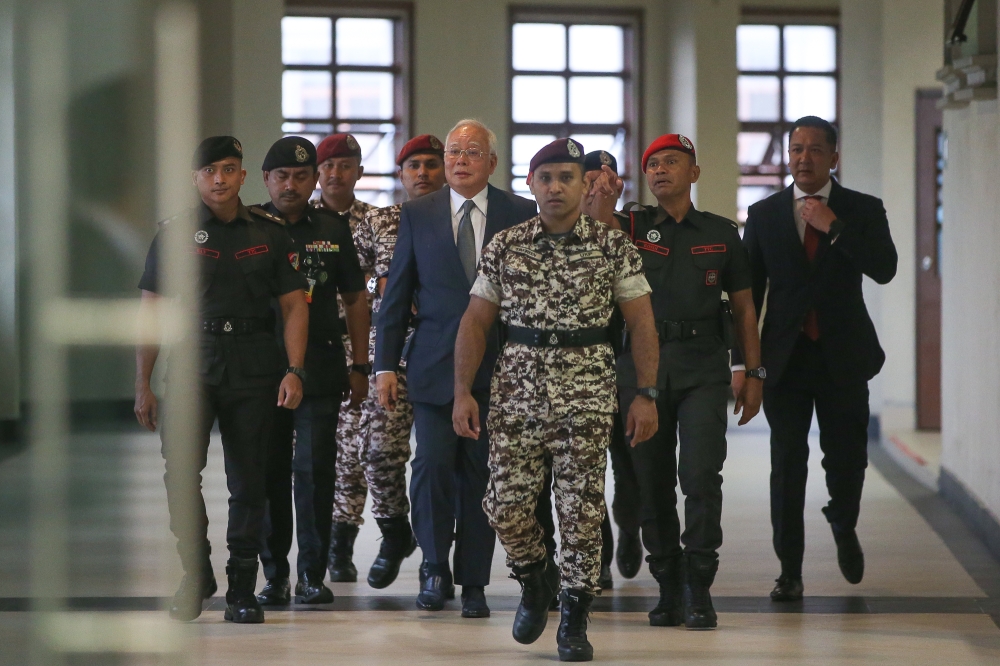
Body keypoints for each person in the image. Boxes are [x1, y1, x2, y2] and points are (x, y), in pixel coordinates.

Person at [454, 138, 659, 662]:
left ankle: (574, 616)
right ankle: (532, 577)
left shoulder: (612, 246)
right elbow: (476, 321)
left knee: (581, 511)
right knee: (503, 505)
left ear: (585, 184)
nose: (556, 187)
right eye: (546, 178)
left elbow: (641, 322)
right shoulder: (506, 244)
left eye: (568, 177)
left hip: (587, 391)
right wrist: (462, 391)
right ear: (530, 184)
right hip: (516, 393)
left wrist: (646, 394)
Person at [133, 136, 309, 624]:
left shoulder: (271, 234)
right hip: (192, 362)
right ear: (196, 178)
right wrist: (142, 383)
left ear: (243, 176)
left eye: (229, 169)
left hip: (256, 363)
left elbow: (295, 305)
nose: (219, 179)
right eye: (210, 170)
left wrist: (295, 369)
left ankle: (241, 585)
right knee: (180, 474)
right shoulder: (174, 235)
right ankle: (196, 572)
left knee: (249, 479)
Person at [731, 116, 897, 602]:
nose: (803, 158)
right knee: (787, 464)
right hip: (786, 360)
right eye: (796, 149)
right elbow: (746, 298)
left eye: (814, 150)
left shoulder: (862, 210)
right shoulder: (763, 215)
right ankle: (790, 570)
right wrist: (744, 365)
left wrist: (836, 228)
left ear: (834, 157)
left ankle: (843, 522)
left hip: (844, 356)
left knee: (847, 461)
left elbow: (884, 268)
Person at [375, 119, 536, 617]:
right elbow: (396, 296)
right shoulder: (418, 214)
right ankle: (432, 566)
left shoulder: (519, 212)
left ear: (491, 161)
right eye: (453, 152)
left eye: (471, 151)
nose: (459, 159)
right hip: (433, 367)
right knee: (430, 468)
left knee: (482, 475)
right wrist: (384, 366)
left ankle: (473, 583)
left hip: (502, 369)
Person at [608, 134, 762, 630]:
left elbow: (743, 308)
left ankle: (699, 585)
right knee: (651, 481)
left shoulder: (720, 232)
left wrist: (752, 372)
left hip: (703, 370)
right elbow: (587, 230)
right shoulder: (629, 227)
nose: (659, 171)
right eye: (651, 164)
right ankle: (667, 583)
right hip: (641, 373)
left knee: (700, 477)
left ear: (694, 173)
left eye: (671, 162)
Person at [254, 136, 370, 607]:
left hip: (321, 365)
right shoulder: (251, 227)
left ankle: (311, 574)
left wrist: (361, 363)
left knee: (317, 470)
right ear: (266, 180)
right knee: (269, 471)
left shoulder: (332, 228)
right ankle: (274, 575)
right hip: (262, 367)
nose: (291, 184)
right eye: (282, 176)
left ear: (314, 179)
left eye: (302, 176)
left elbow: (355, 298)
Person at [533, 148, 640, 592]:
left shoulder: (632, 225)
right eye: (590, 178)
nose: (598, 186)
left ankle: (630, 528)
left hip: (626, 363)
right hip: (578, 372)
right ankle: (596, 555)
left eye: (605, 178)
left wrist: (608, 216)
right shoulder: (553, 228)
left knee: (628, 465)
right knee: (583, 470)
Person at [354, 134, 447, 589]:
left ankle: (440, 555)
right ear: (401, 174)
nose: (424, 173)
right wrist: (383, 285)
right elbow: (351, 280)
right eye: (414, 166)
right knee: (378, 453)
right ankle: (394, 532)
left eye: (432, 164)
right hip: (389, 352)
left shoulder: (457, 217)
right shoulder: (379, 221)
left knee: (437, 460)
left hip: (440, 350)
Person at [311, 133, 378, 582]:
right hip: (311, 347)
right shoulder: (296, 220)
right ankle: (312, 545)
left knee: (354, 452)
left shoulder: (377, 222)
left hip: (360, 346)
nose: (336, 173)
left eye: (345, 165)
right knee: (311, 455)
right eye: (328, 165)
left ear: (358, 171)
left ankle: (341, 544)